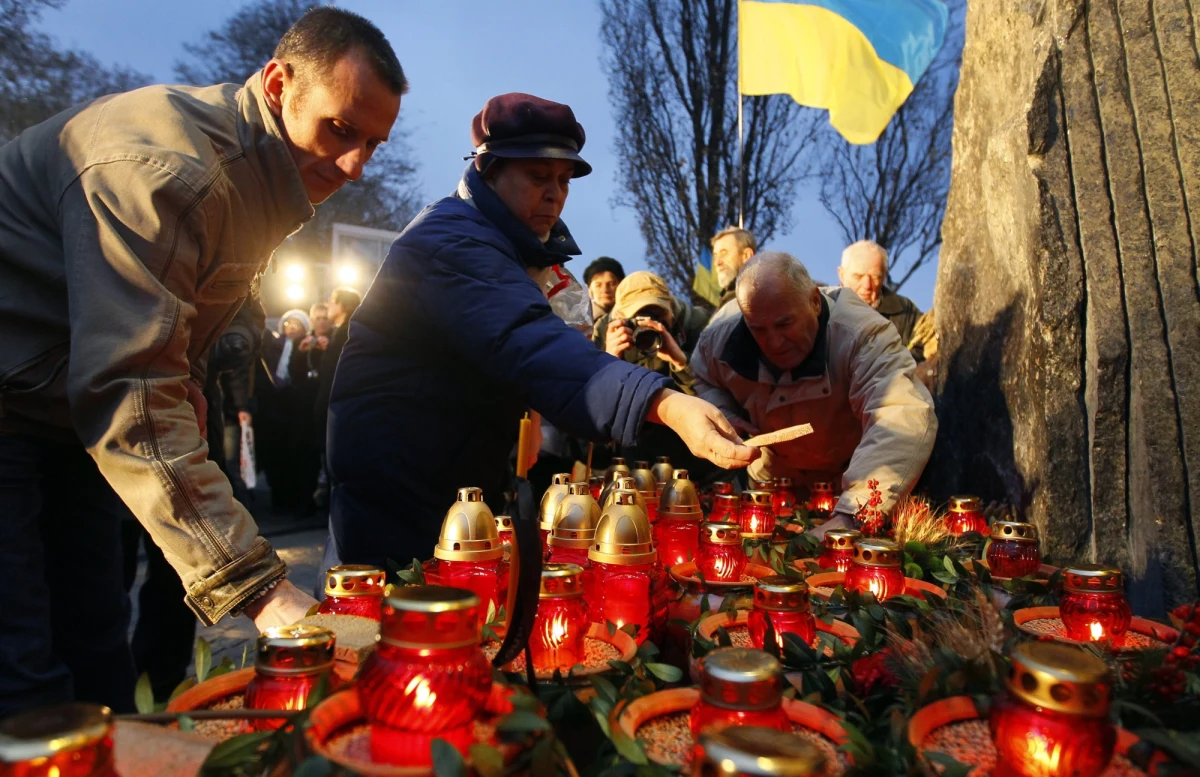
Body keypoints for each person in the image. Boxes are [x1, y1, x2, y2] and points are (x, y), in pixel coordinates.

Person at [0, 7, 405, 715]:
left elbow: (171, 345)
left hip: (66, 419)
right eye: (342, 130)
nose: (354, 166)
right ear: (279, 84)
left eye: (373, 143)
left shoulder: (261, 181)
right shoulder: (167, 172)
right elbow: (131, 391)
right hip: (16, 404)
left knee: (96, 653)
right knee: (24, 677)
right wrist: (258, 585)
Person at [326, 93, 758, 567]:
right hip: (398, 487)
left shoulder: (515, 251)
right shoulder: (452, 241)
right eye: (537, 177)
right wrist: (668, 404)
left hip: (443, 477)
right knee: (389, 625)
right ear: (490, 170)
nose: (555, 194)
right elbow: (537, 347)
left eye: (563, 180)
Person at [691, 252, 936, 536]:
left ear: (815, 302)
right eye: (758, 329)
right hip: (772, 484)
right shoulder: (719, 339)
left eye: (784, 324)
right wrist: (726, 415)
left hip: (848, 484)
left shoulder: (864, 335)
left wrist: (853, 515)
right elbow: (702, 376)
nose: (773, 342)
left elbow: (901, 415)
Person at [311, 287, 361, 507]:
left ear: (345, 307)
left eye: (333, 301)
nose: (329, 304)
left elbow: (336, 375)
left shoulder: (346, 334)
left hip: (338, 408)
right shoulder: (339, 334)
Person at [838, 240, 923, 353]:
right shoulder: (821, 309)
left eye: (875, 277)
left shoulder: (906, 312)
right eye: (858, 277)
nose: (867, 285)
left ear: (884, 275)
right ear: (841, 274)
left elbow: (923, 351)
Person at [711, 226, 757, 307]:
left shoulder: (764, 297)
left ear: (746, 255)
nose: (717, 263)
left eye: (723, 253)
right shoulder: (729, 301)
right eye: (715, 256)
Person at [583, 256, 625, 322]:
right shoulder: (581, 325)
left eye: (611, 284)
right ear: (589, 291)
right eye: (598, 285)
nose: (605, 290)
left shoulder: (631, 316)